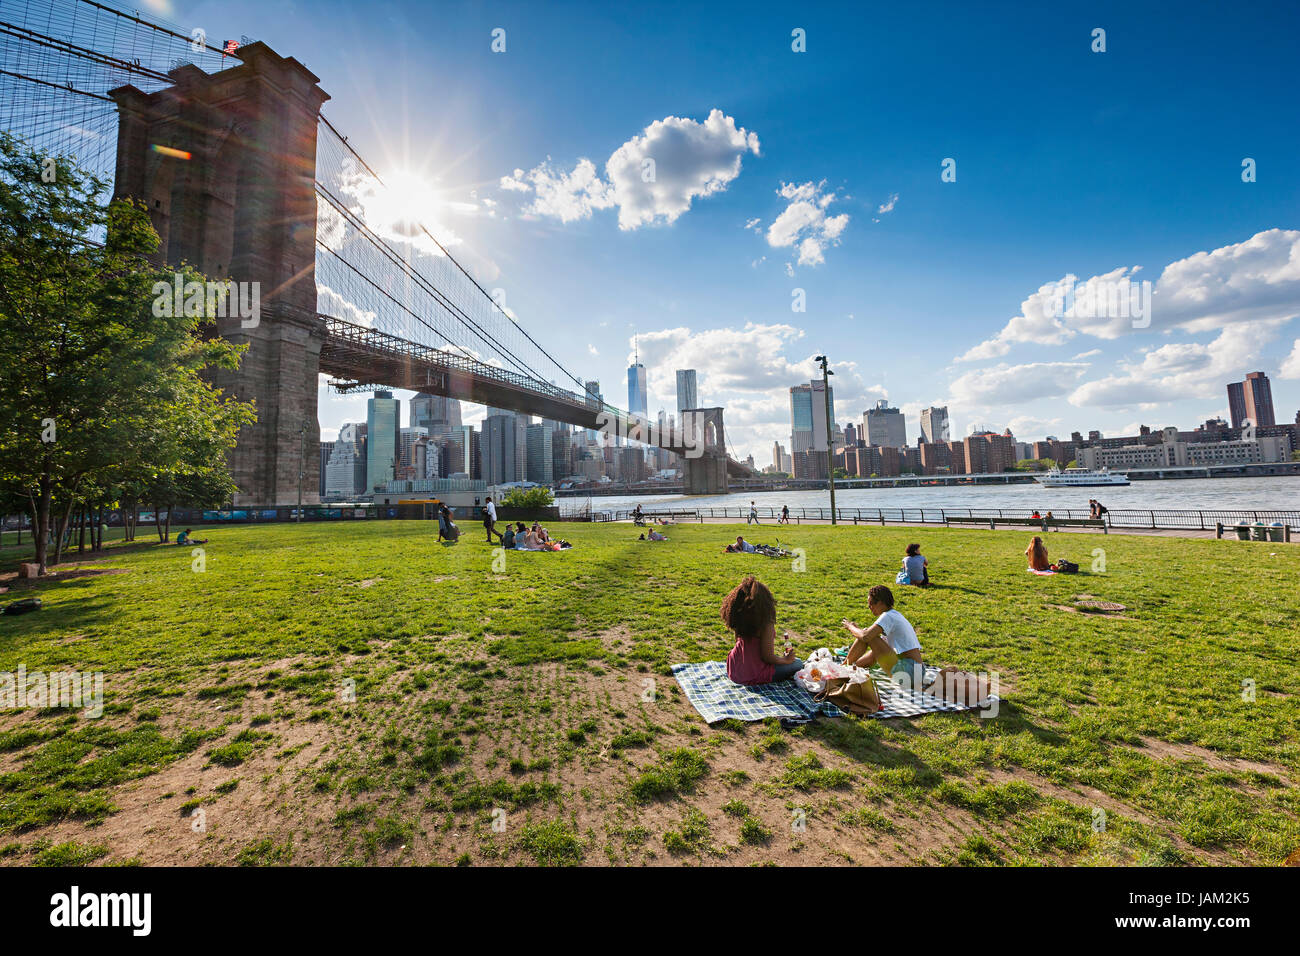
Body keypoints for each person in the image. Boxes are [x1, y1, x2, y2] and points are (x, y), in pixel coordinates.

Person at [720, 575, 802, 686]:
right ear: (766, 602)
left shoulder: (740, 617)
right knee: (798, 663)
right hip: (753, 674)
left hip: (734, 669)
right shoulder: (766, 623)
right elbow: (767, 657)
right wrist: (785, 660)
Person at [841, 585, 924, 690]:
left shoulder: (888, 616)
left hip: (909, 672)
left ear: (880, 602)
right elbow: (872, 657)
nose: (869, 607)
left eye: (871, 604)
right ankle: (843, 668)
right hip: (916, 674)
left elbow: (866, 637)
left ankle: (842, 667)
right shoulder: (894, 616)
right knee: (868, 635)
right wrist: (852, 668)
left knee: (868, 634)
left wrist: (850, 627)